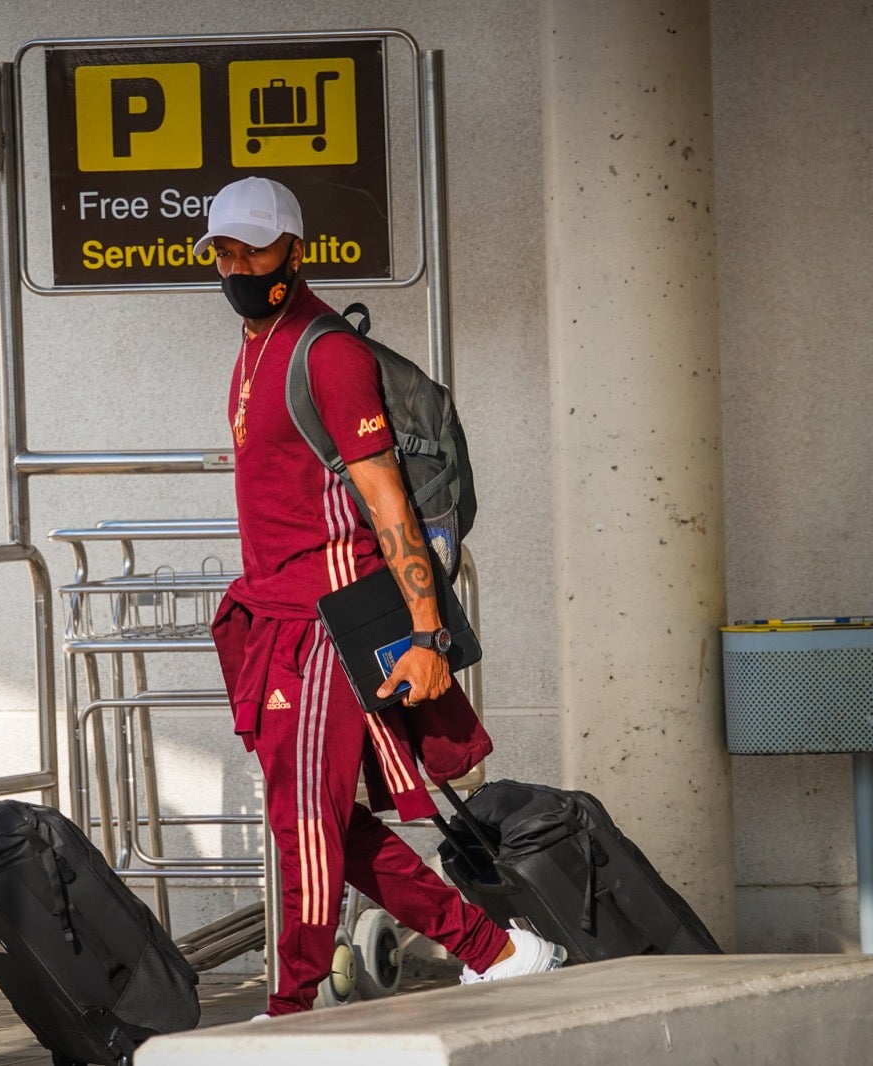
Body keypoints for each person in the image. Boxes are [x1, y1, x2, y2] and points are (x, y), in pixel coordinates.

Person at [201, 177, 567, 1016]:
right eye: (223, 250)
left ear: (296, 249)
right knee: (317, 818)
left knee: (308, 823)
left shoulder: (326, 352)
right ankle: (497, 948)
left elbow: (387, 502)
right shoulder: (256, 344)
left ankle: (293, 1010)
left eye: (253, 247)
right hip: (274, 618)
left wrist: (427, 635)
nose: (236, 265)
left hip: (329, 618)